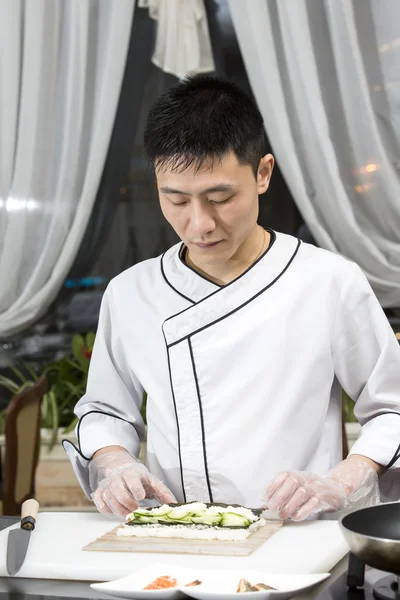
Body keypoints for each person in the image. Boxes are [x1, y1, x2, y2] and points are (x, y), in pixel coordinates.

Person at [63, 76, 400, 521]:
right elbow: (106, 409)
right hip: (178, 535)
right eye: (176, 200)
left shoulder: (328, 282)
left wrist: (341, 480)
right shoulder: (131, 293)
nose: (199, 224)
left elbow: (392, 408)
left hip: (295, 534)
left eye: (220, 198)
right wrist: (114, 462)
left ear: (262, 173)